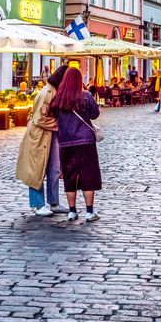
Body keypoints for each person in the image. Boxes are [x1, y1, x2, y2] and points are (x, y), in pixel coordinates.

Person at [51, 67, 102, 221]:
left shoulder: (59, 98)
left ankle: (72, 211)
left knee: (69, 175)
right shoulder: (85, 96)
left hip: (65, 142)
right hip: (86, 141)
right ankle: (89, 212)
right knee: (88, 175)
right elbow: (95, 114)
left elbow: (53, 115)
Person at [17, 64, 65, 217]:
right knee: (36, 169)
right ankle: (38, 205)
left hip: (50, 135)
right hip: (39, 136)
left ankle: (54, 201)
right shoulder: (47, 93)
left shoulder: (54, 91)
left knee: (54, 168)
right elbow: (39, 119)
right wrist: (59, 124)